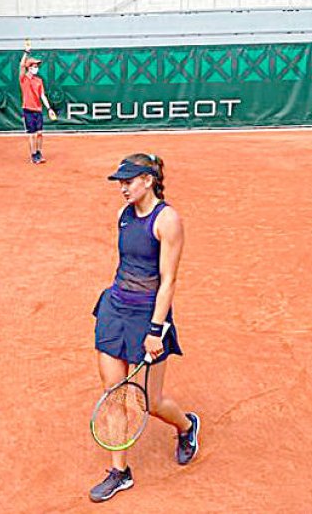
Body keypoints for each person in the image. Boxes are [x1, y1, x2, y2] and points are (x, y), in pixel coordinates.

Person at [89, 153, 199, 503]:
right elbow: (127, 264)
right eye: (119, 182)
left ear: (148, 180)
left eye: (128, 181)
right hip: (115, 310)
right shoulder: (123, 215)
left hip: (148, 318)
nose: (122, 188)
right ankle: (120, 472)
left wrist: (155, 329)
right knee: (114, 394)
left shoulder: (168, 220)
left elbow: (168, 282)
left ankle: (186, 426)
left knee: (151, 402)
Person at [18, 42, 57, 164]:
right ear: (29, 67)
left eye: (37, 66)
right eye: (34, 66)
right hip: (27, 109)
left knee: (39, 133)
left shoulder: (39, 80)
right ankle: (33, 155)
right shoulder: (23, 79)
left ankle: (39, 152)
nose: (36, 68)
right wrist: (26, 52)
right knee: (32, 134)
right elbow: (21, 66)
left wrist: (49, 108)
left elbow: (42, 95)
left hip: (38, 110)